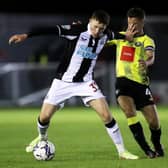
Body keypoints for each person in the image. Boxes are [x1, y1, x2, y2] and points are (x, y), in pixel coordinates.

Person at [9, 10, 138, 159]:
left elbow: (118, 35)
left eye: (101, 28)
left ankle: (122, 151)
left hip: (86, 83)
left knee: (106, 115)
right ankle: (42, 137)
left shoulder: (106, 34)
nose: (97, 31)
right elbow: (49, 30)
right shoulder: (76, 30)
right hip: (63, 82)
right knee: (44, 118)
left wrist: (127, 36)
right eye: (95, 27)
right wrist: (25, 35)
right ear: (90, 21)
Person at [106, 8, 164, 158]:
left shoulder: (147, 40)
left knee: (154, 123)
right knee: (129, 112)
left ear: (142, 22)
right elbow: (102, 38)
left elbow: (151, 56)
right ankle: (146, 149)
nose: (132, 26)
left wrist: (146, 61)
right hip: (123, 83)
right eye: (130, 23)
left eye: (135, 24)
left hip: (140, 84)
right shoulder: (120, 37)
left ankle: (156, 143)